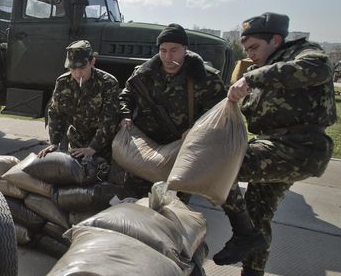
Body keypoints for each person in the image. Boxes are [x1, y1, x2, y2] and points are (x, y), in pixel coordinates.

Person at [208, 12, 336, 276]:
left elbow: (316, 69)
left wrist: (250, 78)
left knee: (217, 166)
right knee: (257, 213)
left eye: (254, 48)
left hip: (299, 146)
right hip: (275, 144)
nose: (250, 55)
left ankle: (244, 234)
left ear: (275, 40)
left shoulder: (305, 54)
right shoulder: (265, 66)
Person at [118, 23, 226, 196]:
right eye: (163, 50)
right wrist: (125, 115)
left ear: (185, 49)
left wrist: (195, 130)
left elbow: (218, 115)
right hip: (145, 152)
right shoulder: (143, 74)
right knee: (133, 204)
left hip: (180, 155)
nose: (168, 57)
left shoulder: (205, 79)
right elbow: (126, 96)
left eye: (174, 50)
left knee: (172, 209)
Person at [38, 40, 120, 169]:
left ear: (92, 62)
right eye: (73, 68)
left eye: (82, 68)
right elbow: (55, 113)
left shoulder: (108, 83)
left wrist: (93, 148)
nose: (77, 73)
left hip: (103, 146)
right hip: (76, 143)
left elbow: (109, 119)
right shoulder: (63, 82)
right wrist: (54, 142)